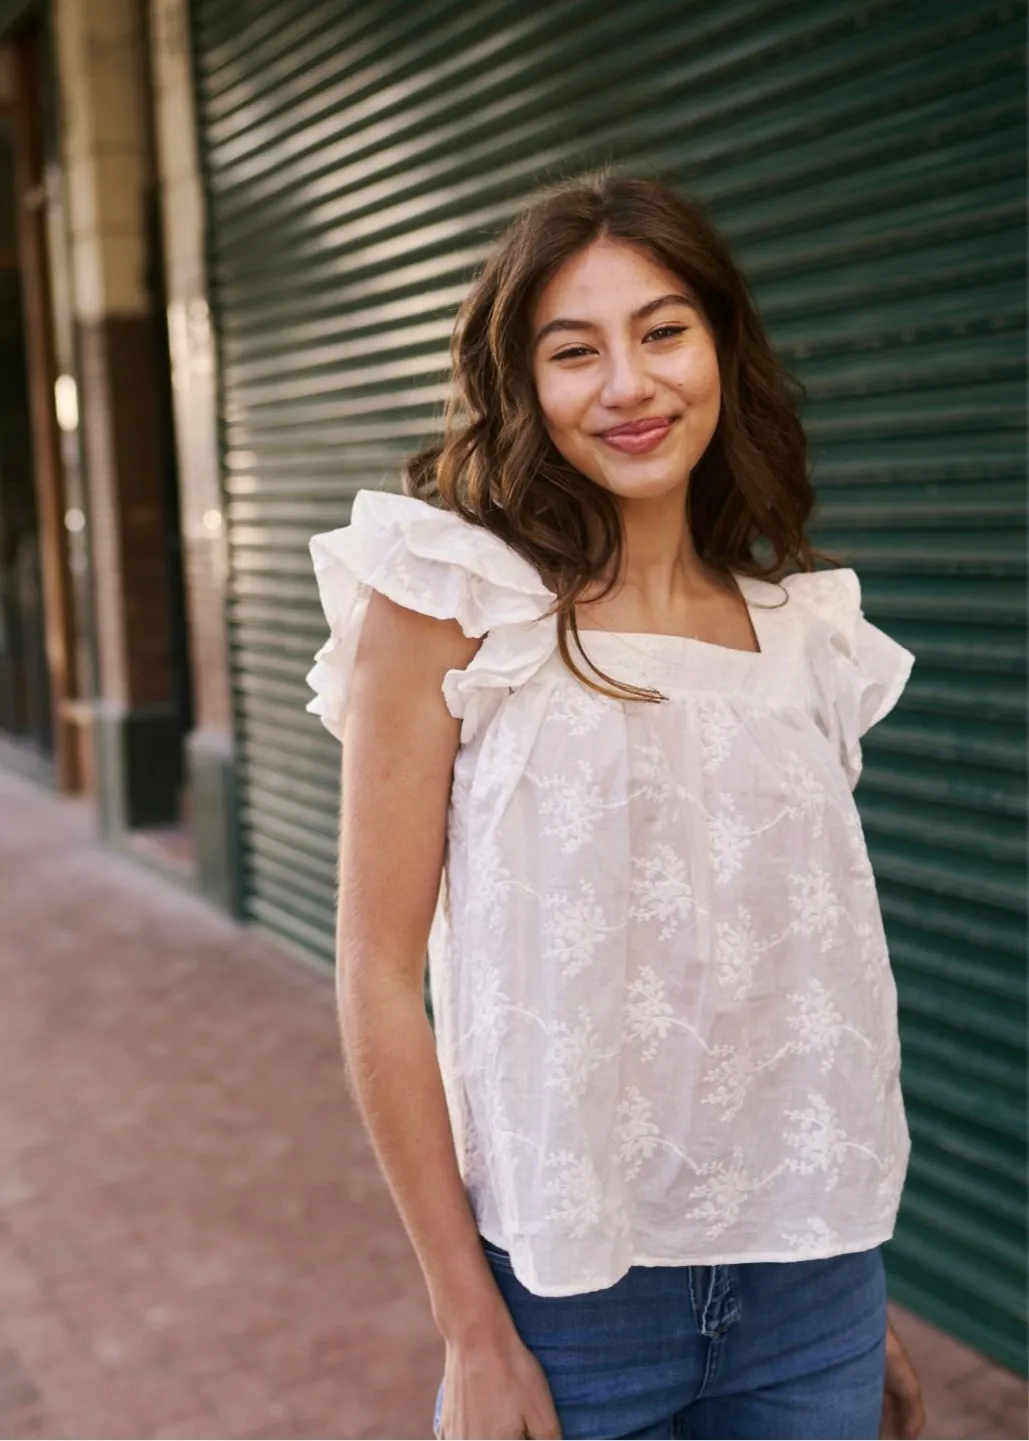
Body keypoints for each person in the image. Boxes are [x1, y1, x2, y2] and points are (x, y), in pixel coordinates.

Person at [306, 175, 926, 1441]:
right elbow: (375, 976)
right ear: (521, 385)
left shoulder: (802, 634)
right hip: (565, 1301)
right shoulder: (452, 603)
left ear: (720, 348)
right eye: (572, 351)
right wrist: (470, 1330)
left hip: (815, 1296)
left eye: (663, 331)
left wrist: (860, 1293)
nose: (630, 385)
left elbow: (788, 998)